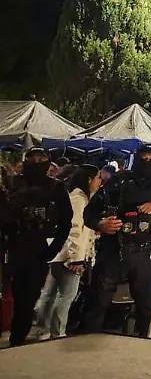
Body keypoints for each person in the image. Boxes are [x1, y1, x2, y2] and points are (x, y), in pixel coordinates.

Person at [80, 144, 151, 337]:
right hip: (115, 248)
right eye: (143, 158)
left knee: (148, 307)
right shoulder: (118, 181)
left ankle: (149, 346)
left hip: (149, 251)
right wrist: (101, 224)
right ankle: (86, 341)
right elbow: (90, 212)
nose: (147, 162)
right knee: (98, 301)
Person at [0, 147, 72, 346]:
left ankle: (16, 341)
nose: (37, 162)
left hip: (36, 250)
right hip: (9, 247)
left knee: (26, 301)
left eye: (42, 159)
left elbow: (66, 222)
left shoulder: (56, 188)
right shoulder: (12, 184)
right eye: (33, 159)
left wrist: (52, 249)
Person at [34, 164, 101, 338]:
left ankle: (44, 329)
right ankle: (57, 332)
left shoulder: (76, 197)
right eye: (98, 178)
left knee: (51, 292)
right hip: (68, 256)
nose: (100, 182)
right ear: (89, 179)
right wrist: (77, 259)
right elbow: (75, 230)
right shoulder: (78, 199)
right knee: (67, 295)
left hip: (60, 253)